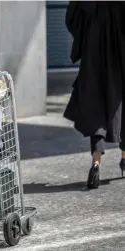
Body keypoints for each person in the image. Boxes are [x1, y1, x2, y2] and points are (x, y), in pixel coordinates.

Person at [64, 1, 125, 189]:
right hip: (120, 57)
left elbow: (72, 17)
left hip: (94, 55)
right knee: (120, 104)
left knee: (96, 108)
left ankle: (96, 163)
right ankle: (124, 158)